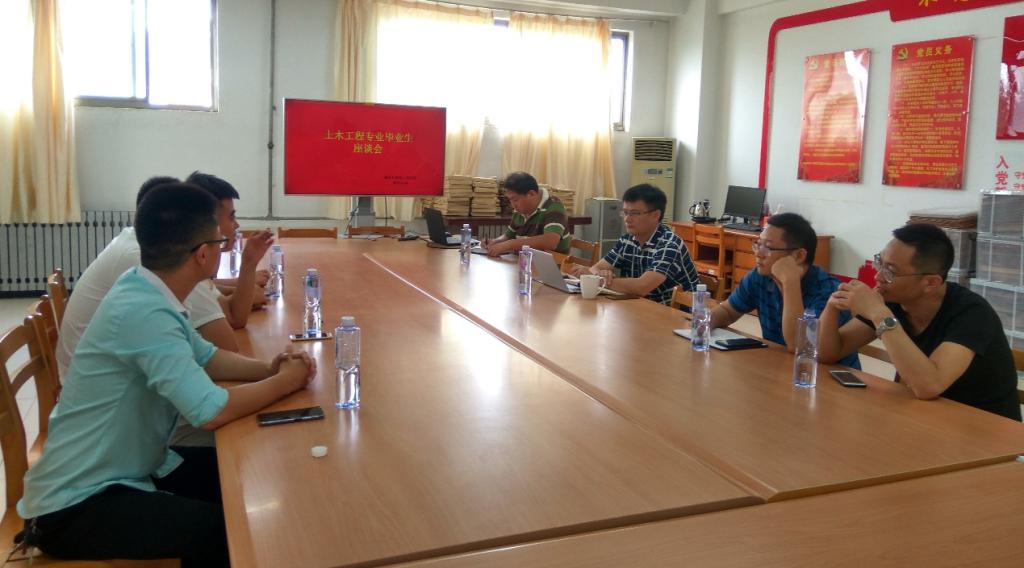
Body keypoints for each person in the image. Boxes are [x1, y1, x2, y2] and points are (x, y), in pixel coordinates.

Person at [16, 184, 317, 566]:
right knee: (226, 531)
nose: (224, 246)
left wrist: (269, 368)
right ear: (203, 254)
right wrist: (284, 382)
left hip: (129, 467)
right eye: (220, 240)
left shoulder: (145, 288)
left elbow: (206, 356)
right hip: (76, 504)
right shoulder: (144, 310)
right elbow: (210, 410)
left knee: (241, 480)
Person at [819, 223, 1020, 420]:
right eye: (880, 261)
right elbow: (828, 353)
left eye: (890, 271)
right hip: (926, 416)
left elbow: (929, 386)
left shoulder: (972, 313)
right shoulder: (894, 300)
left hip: (984, 427)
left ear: (930, 282)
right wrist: (832, 306)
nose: (878, 275)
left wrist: (879, 314)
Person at [57, 176, 241, 376]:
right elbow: (226, 346)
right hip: (89, 378)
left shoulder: (142, 250)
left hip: (94, 371)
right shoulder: (153, 264)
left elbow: (205, 351)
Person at [709, 212, 861, 369]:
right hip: (782, 366)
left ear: (799, 255)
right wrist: (704, 323)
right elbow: (727, 311)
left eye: (768, 247)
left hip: (825, 374)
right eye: (758, 244)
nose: (758, 253)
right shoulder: (760, 276)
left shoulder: (828, 291)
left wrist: (790, 283)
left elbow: (801, 346)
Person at [573, 184, 698, 304]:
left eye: (635, 213)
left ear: (656, 215)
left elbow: (642, 286)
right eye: (625, 212)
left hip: (675, 314)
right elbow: (596, 268)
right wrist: (599, 275)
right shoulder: (627, 240)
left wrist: (598, 280)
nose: (627, 219)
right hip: (639, 307)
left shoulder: (669, 245)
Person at [184, 171, 274, 331]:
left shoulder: (186, 257)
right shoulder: (185, 268)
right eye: (231, 217)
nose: (236, 225)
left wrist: (239, 284)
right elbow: (235, 318)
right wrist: (248, 264)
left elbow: (208, 286)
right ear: (210, 222)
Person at [483, 171, 570, 257]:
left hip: (551, 265)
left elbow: (550, 242)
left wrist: (509, 244)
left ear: (531, 194)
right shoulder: (520, 209)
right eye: (510, 200)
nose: (513, 205)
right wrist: (496, 241)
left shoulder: (554, 206)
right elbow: (509, 235)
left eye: (515, 200)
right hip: (523, 261)